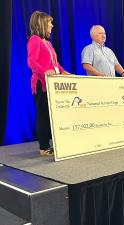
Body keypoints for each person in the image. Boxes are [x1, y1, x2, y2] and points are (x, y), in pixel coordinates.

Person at [27, 11, 70, 156]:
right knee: (43, 114)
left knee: (51, 115)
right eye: (49, 22)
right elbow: (32, 62)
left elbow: (55, 64)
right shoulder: (34, 39)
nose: (52, 25)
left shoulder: (48, 43)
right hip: (41, 84)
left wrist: (64, 72)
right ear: (41, 23)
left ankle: (53, 144)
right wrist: (45, 71)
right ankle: (44, 147)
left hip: (53, 84)